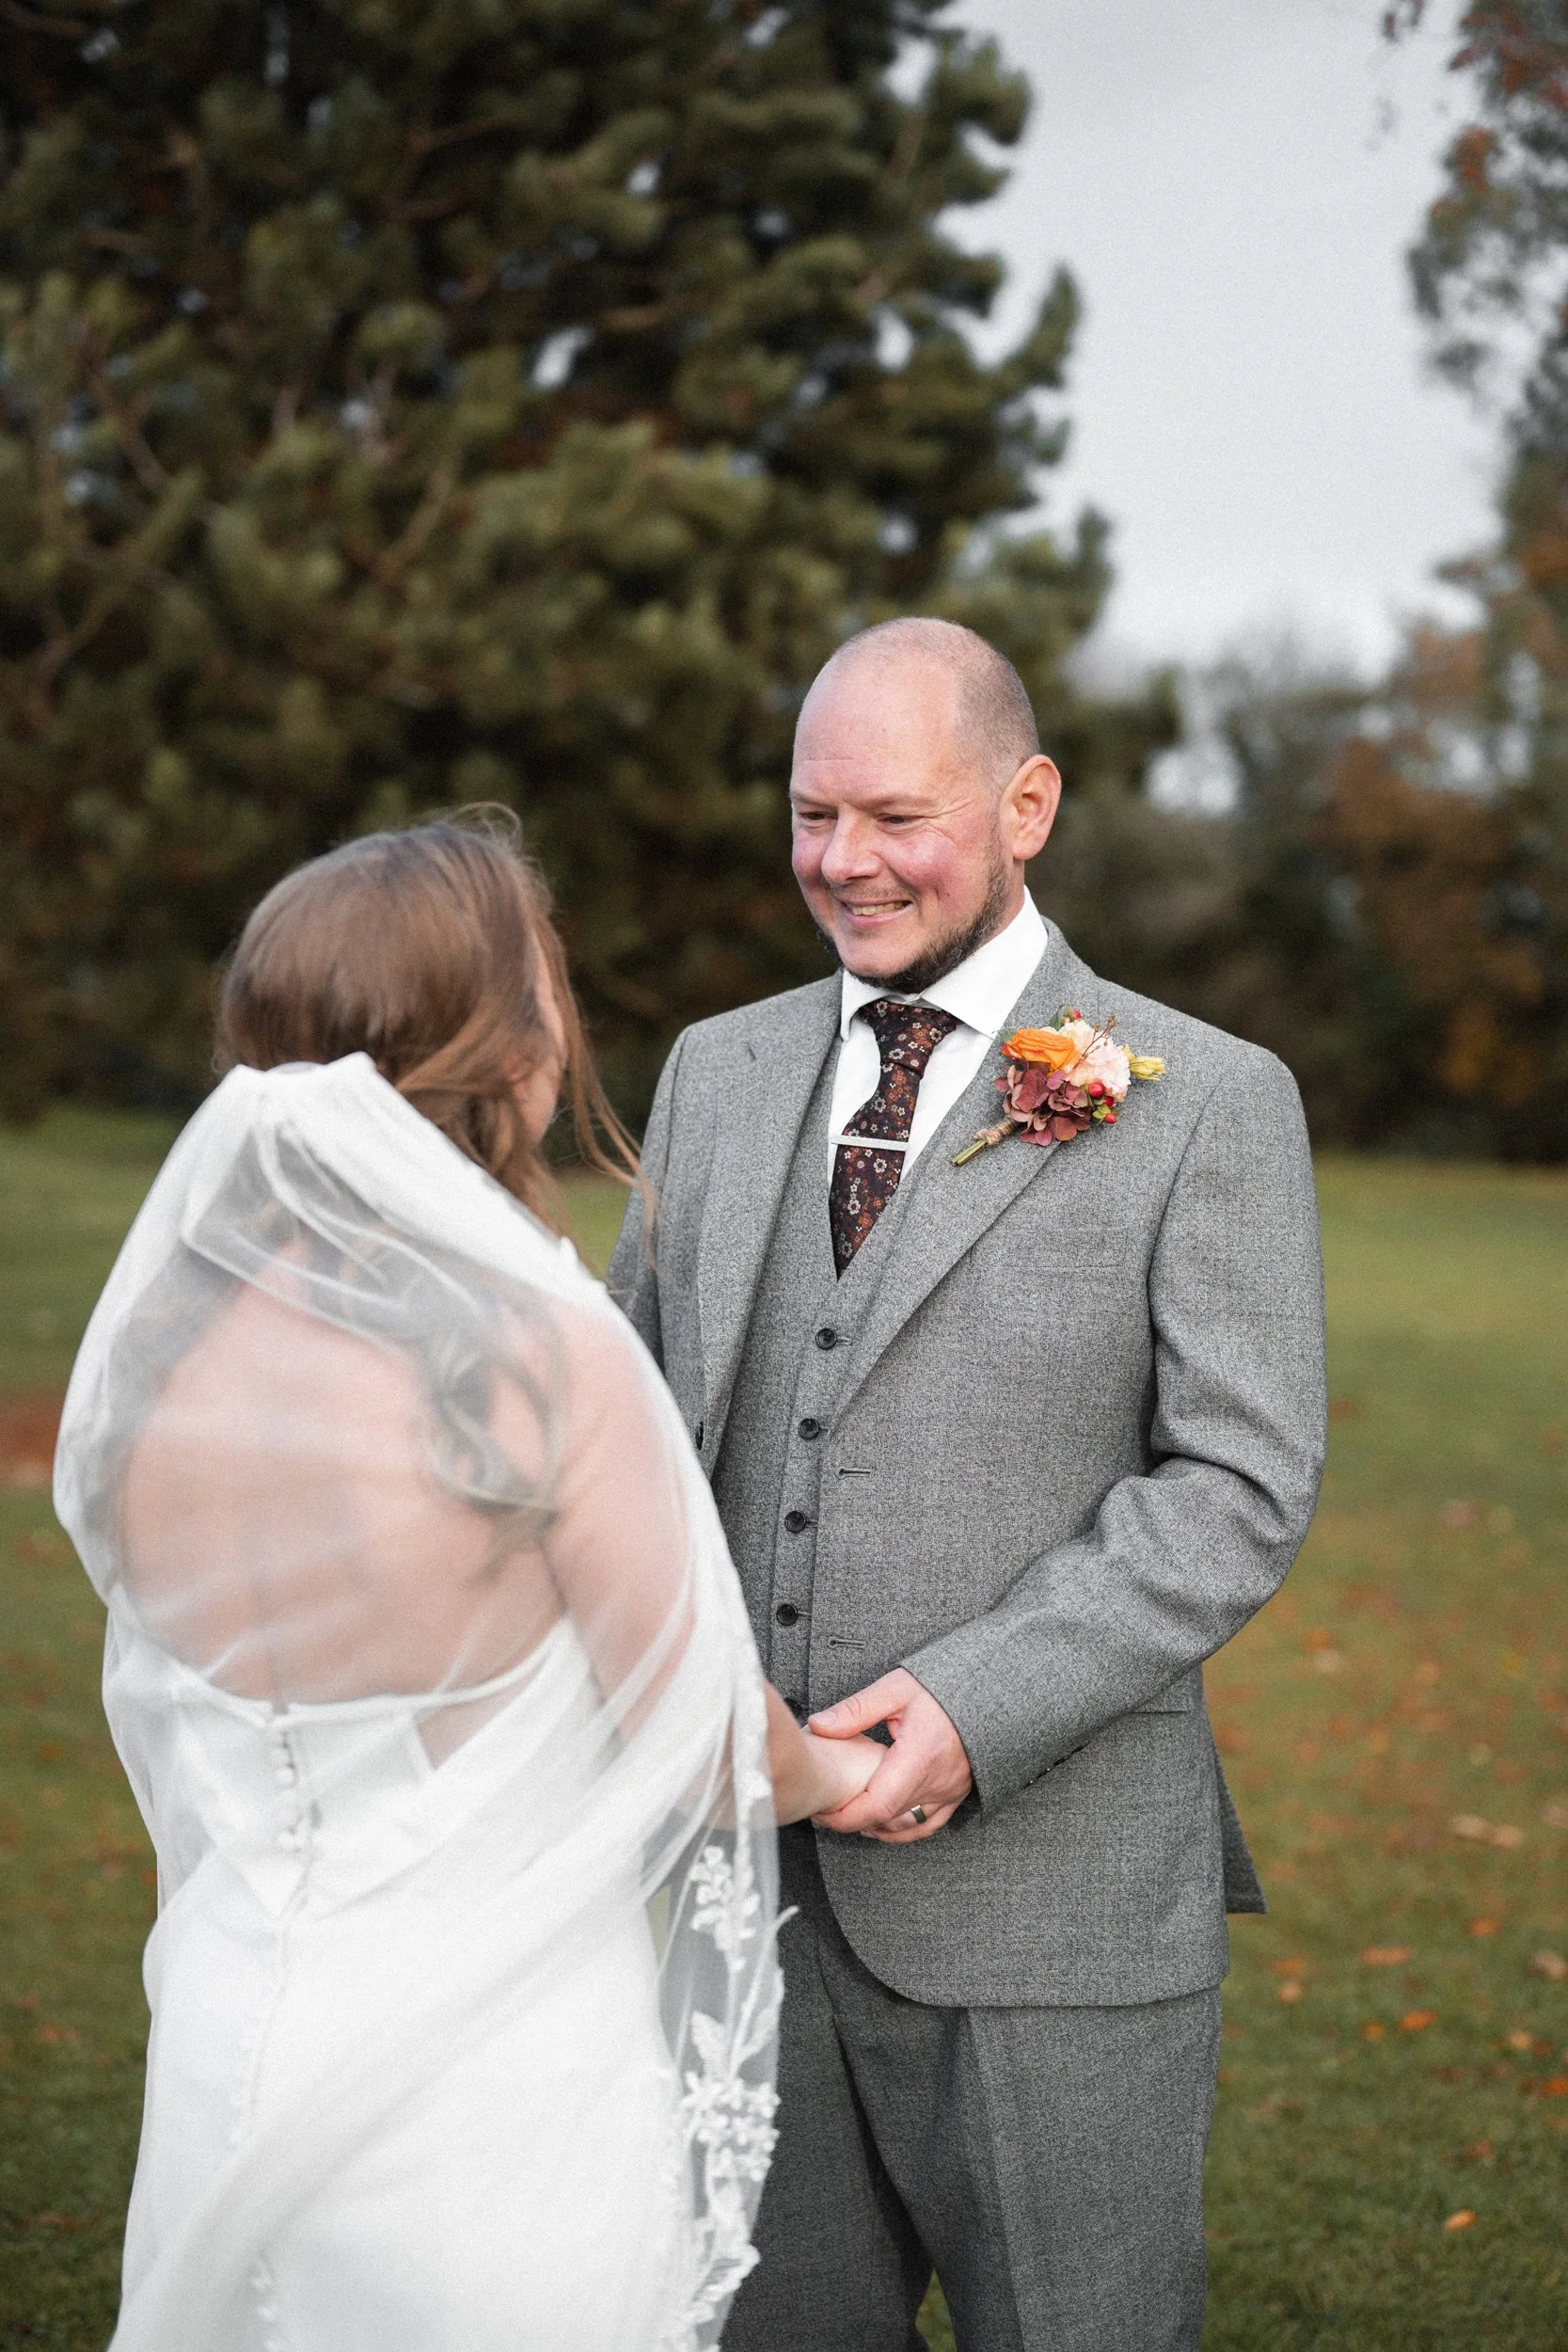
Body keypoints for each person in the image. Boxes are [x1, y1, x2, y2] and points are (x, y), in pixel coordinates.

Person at [54, 816, 879, 2352]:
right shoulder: (534, 1356)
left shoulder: (161, 1361)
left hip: (234, 2038)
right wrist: (844, 1765)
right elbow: (701, 1738)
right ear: (510, 1044)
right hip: (483, 2087)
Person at [608, 618, 1327, 2352]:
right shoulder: (718, 1070)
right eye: (808, 814)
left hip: (1052, 1908)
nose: (841, 862)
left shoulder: (1206, 1101)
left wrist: (969, 1705)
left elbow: (1235, 1480)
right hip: (736, 1904)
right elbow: (622, 1431)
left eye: (894, 816)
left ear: (1027, 804)